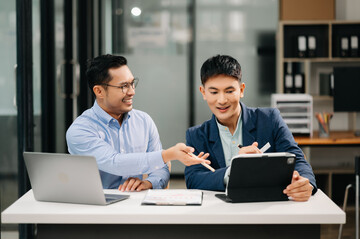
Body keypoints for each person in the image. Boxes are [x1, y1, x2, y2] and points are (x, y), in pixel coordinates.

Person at [66, 54, 210, 192]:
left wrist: (148, 183)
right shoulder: (80, 130)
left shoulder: (144, 121)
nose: (132, 92)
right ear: (99, 91)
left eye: (132, 83)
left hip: (137, 205)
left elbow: (161, 168)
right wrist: (168, 154)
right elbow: (114, 163)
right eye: (124, 86)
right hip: (96, 210)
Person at [184, 54, 317, 201]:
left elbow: (296, 157)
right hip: (221, 214)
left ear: (241, 90)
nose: (222, 100)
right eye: (214, 92)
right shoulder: (196, 135)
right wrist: (235, 170)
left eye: (229, 91)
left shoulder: (269, 119)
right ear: (203, 92)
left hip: (269, 209)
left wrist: (307, 183)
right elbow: (194, 179)